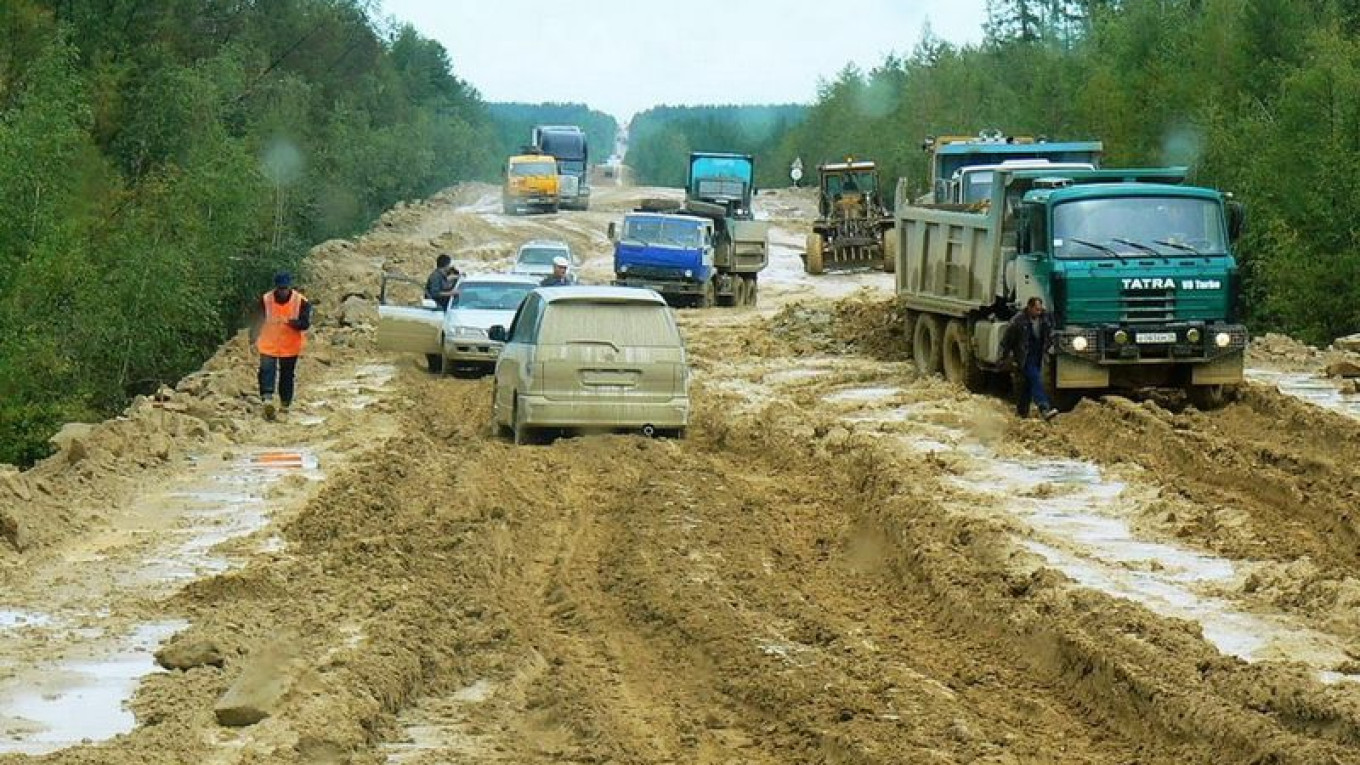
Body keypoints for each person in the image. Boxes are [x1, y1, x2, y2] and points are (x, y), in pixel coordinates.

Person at [255, 272, 311, 420]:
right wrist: (252, 337)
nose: (282, 291)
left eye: (285, 288)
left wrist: (294, 323)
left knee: (287, 375)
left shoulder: (301, 301)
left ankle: (285, 404)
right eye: (280, 288)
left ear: (289, 287)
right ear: (276, 288)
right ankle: (267, 399)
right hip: (269, 343)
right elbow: (257, 320)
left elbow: (305, 324)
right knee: (266, 370)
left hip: (290, 345)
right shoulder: (265, 300)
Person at [1000, 296, 1057, 421]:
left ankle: (1022, 412)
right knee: (1035, 377)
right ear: (1029, 308)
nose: (1039, 312)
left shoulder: (1045, 317)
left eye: (1040, 309)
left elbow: (1051, 332)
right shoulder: (1018, 321)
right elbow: (1006, 341)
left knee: (1028, 383)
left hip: (1039, 354)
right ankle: (1044, 407)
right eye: (1036, 309)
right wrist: (1005, 357)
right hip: (1024, 356)